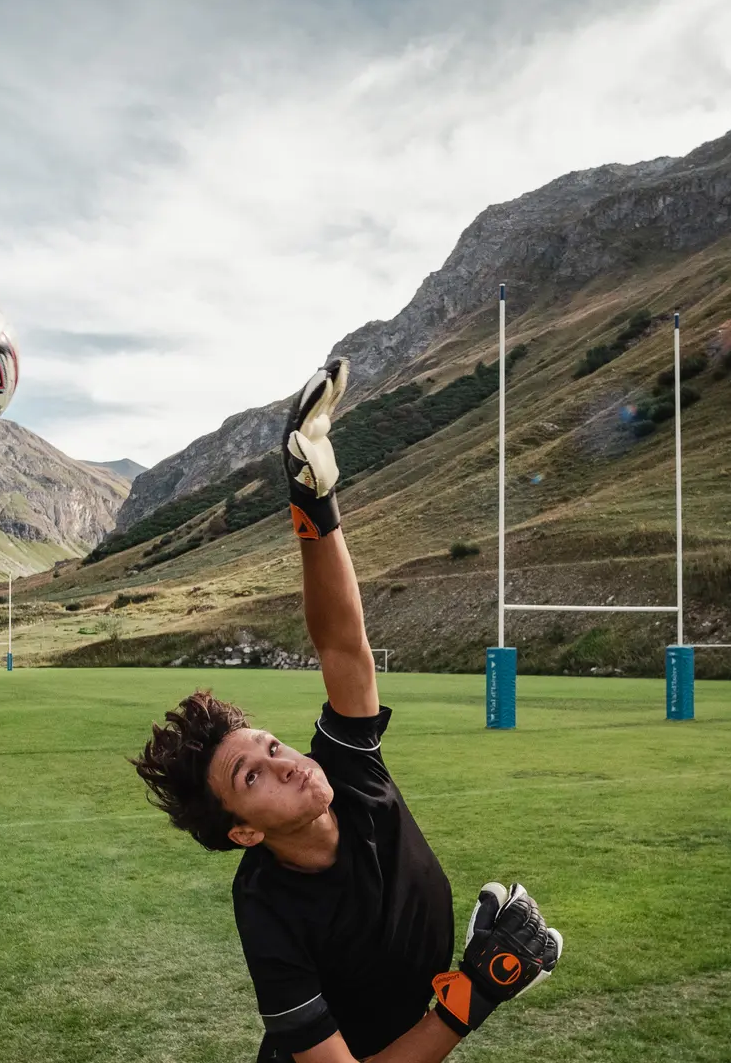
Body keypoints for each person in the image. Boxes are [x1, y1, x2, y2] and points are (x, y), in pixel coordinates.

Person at [132, 360, 564, 1063]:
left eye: (271, 747)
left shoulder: (349, 772)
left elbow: (341, 643)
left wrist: (315, 504)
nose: (285, 764)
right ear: (242, 833)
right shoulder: (268, 912)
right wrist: (472, 996)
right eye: (252, 777)